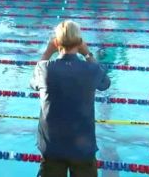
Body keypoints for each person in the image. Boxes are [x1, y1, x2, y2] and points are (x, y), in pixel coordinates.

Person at [31, 20, 111, 177]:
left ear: (56, 42)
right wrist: (87, 54)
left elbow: (33, 82)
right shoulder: (91, 69)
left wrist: (48, 52)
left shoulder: (44, 68)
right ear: (80, 42)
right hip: (83, 147)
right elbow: (105, 83)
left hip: (52, 147)